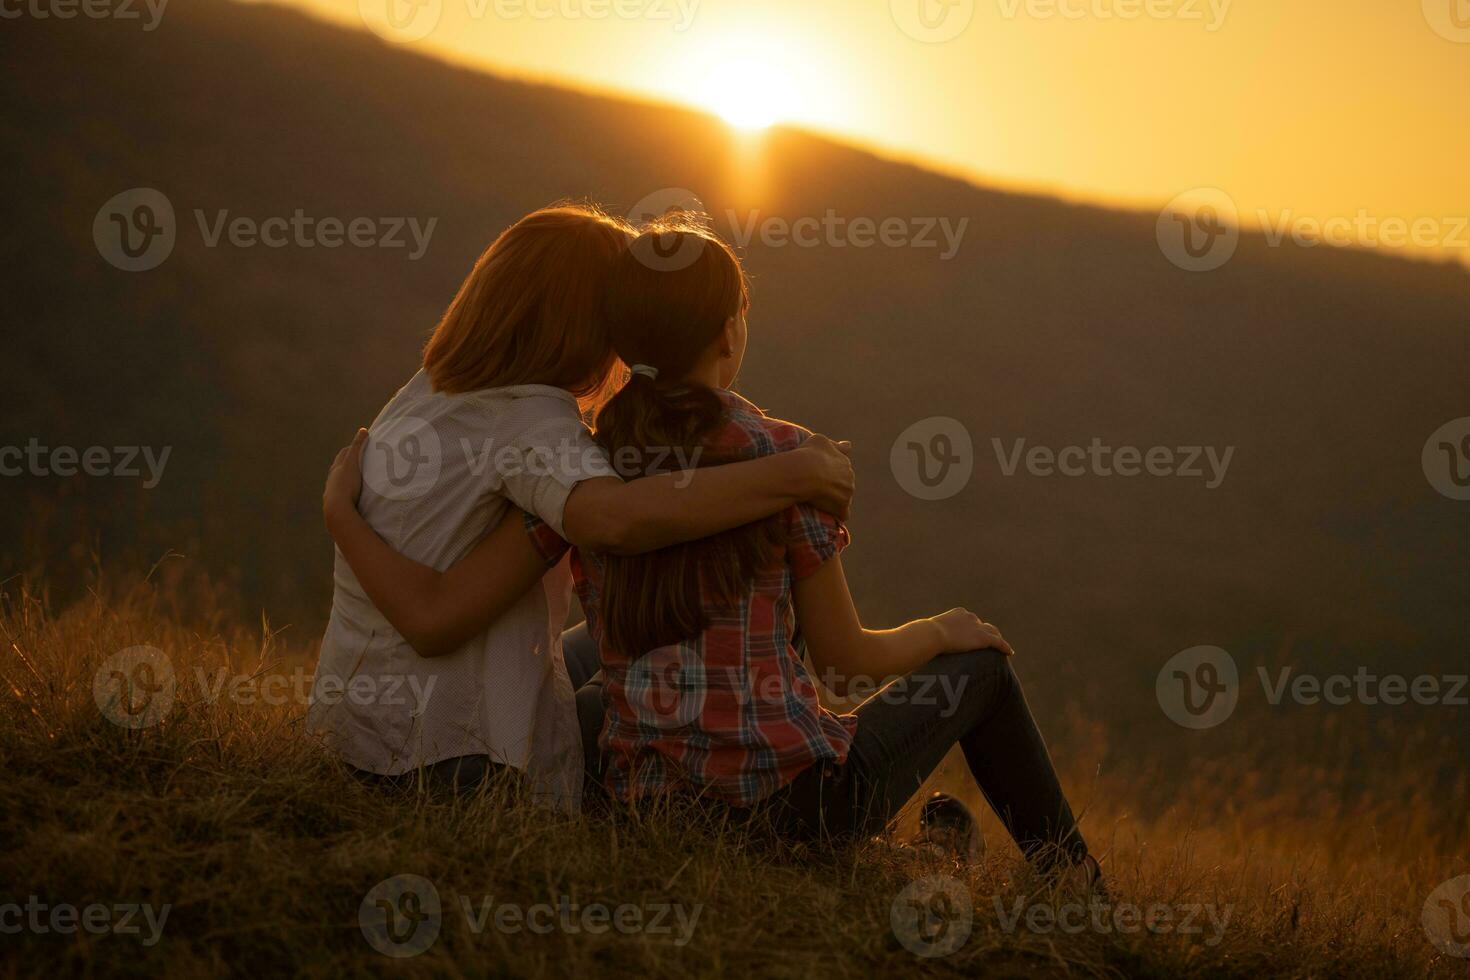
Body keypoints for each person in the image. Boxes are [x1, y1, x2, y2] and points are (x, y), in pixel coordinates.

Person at [325, 214, 1096, 880]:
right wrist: (936, 627)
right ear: (729, 331)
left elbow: (615, 527)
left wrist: (342, 517)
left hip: (640, 797)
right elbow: (843, 659)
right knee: (983, 674)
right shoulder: (725, 451)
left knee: (627, 654)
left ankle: (918, 856)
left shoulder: (560, 438)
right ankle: (1080, 892)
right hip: (770, 802)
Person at [311, 204, 854, 810]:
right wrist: (794, 470)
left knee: (652, 643)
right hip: (438, 757)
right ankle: (768, 778)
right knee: (666, 661)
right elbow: (612, 520)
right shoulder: (532, 426)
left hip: (355, 733)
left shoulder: (431, 391)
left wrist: (341, 518)